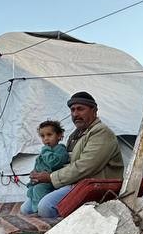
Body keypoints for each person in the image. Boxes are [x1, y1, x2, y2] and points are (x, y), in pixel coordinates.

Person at [36, 91, 124, 220]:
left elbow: (85, 167)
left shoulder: (101, 132)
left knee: (46, 206)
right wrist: (41, 172)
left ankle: (70, 231)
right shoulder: (76, 135)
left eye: (80, 109)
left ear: (94, 111)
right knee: (27, 207)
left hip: (94, 186)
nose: (75, 114)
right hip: (77, 182)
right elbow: (68, 162)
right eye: (72, 110)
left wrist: (50, 177)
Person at [22, 120, 69, 215]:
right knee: (25, 208)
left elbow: (53, 163)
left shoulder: (60, 149)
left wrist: (45, 150)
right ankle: (35, 208)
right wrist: (34, 174)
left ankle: (38, 212)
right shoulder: (45, 151)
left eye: (49, 135)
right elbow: (38, 165)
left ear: (59, 135)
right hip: (39, 182)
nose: (46, 139)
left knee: (39, 189)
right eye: (42, 136)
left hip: (52, 183)